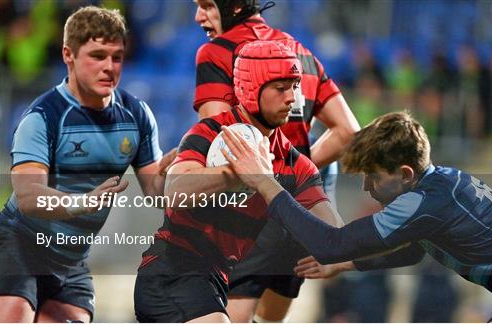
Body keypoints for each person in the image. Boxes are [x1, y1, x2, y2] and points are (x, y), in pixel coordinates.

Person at [221, 111, 492, 322]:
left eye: (373, 176)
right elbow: (415, 250)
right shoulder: (446, 181)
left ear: (405, 173)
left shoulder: (422, 202)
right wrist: (349, 264)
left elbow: (331, 243)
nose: (366, 186)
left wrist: (265, 182)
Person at [134, 40, 343, 323]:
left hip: (218, 279)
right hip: (171, 270)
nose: (291, 98)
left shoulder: (297, 165)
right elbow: (175, 191)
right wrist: (235, 173)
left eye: (295, 86)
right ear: (251, 87)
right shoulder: (209, 133)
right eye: (280, 88)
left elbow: (333, 232)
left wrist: (344, 253)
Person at [0, 6, 176, 322]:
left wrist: (182, 165)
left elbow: (156, 192)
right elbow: (28, 198)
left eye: (116, 57)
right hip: (19, 245)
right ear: (69, 55)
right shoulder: (43, 117)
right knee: (14, 315)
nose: (109, 67)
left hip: (70, 261)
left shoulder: (137, 116)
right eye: (97, 56)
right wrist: (83, 203)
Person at [193, 0, 359, 321]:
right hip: (297, 212)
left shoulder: (217, 52)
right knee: (268, 318)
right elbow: (349, 132)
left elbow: (220, 139)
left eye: (208, 5)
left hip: (248, 211)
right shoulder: (302, 53)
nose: (199, 15)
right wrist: (291, 172)